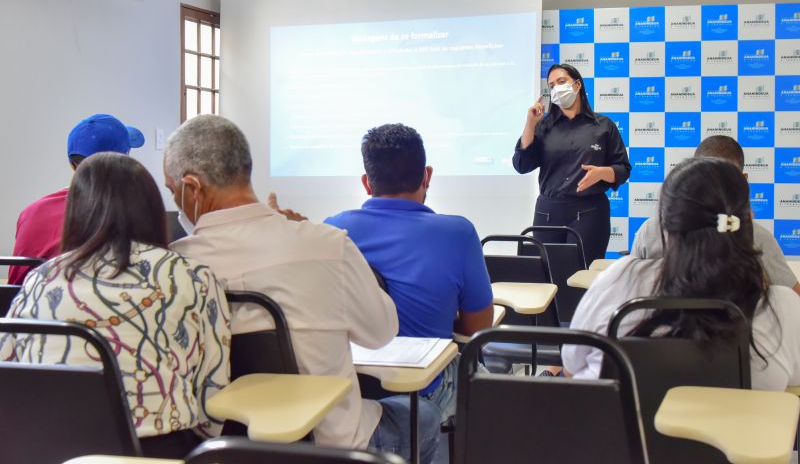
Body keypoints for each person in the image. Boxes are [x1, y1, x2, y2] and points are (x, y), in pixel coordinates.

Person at [162, 115, 440, 462]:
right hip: (335, 448)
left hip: (221, 451)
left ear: (192, 188)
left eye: (172, 191)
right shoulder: (326, 244)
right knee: (425, 416)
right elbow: (382, 333)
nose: (175, 199)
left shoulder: (173, 268)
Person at [0, 153, 230, 458]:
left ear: (76, 211)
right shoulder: (192, 275)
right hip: (151, 449)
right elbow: (213, 388)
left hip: (45, 448)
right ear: (151, 209)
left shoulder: (40, 278)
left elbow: (8, 364)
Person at [563, 157, 800, 390]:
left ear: (664, 226)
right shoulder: (780, 307)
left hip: (615, 427)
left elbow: (571, 367)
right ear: (749, 220)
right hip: (734, 429)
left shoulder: (621, 278)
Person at [325, 123, 494, 422]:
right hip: (423, 393)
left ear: (366, 182)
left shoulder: (332, 231)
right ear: (426, 176)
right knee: (482, 374)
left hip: (348, 391)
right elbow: (475, 329)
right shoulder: (458, 233)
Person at [631, 135, 800, 296]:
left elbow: (629, 290)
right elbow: (794, 295)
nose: (714, 185)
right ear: (742, 180)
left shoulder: (651, 230)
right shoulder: (756, 236)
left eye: (722, 178)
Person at [512, 63, 630, 266]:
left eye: (561, 82)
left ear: (577, 85)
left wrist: (603, 172)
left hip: (589, 212)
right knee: (544, 275)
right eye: (551, 85)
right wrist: (530, 123)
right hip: (548, 213)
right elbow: (522, 165)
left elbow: (623, 169)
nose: (556, 88)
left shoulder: (603, 126)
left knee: (581, 276)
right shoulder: (544, 127)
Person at [8, 114, 145, 285]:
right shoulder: (132, 214)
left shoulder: (31, 211)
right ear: (125, 161)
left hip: (22, 307)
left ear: (72, 165)